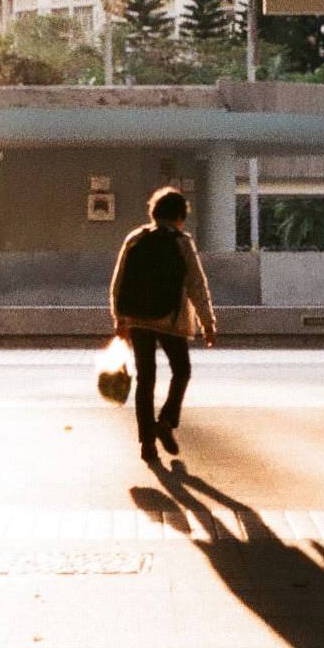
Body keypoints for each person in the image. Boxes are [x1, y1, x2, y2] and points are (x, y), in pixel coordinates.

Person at [109, 185, 218, 461]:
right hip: (171, 320)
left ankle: (147, 444)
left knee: (145, 380)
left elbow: (118, 282)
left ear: (154, 212)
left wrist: (119, 319)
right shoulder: (182, 242)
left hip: (137, 319)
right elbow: (197, 285)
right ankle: (166, 421)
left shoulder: (135, 238)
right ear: (180, 216)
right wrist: (208, 324)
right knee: (182, 371)